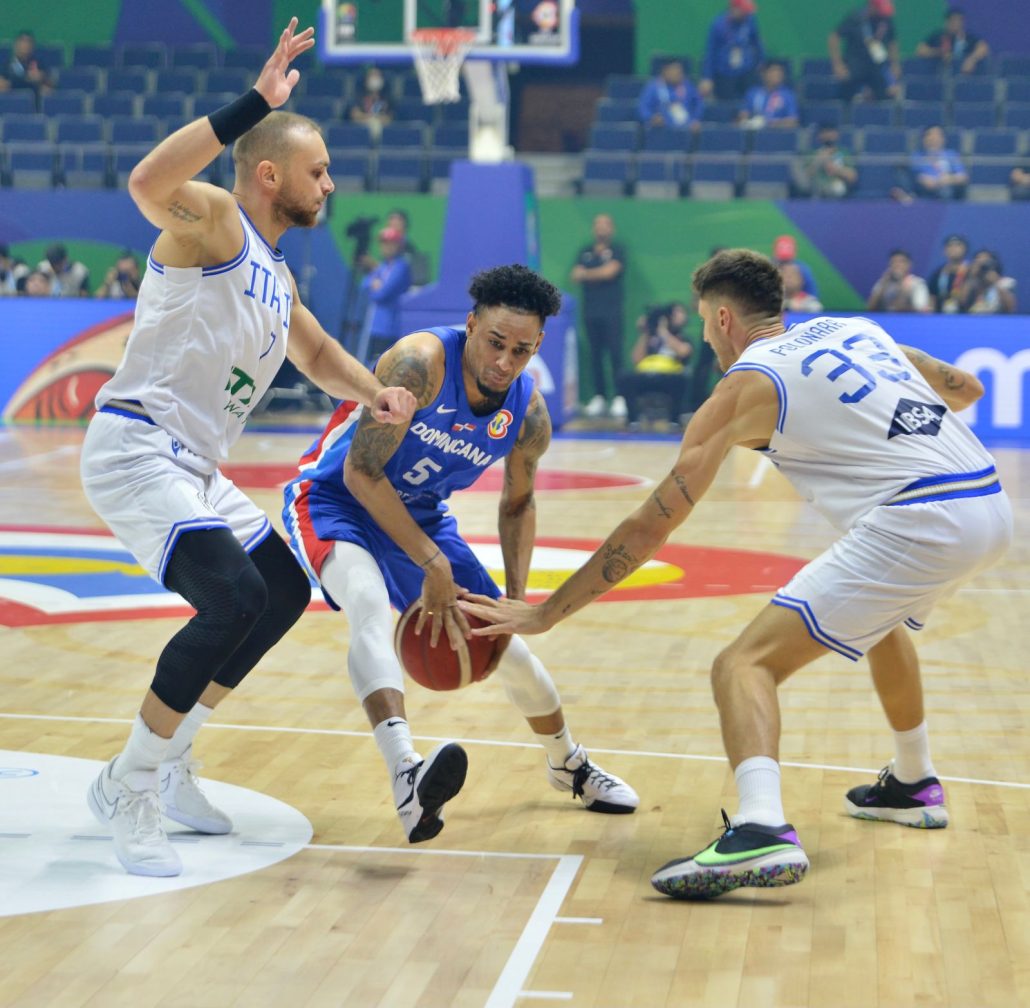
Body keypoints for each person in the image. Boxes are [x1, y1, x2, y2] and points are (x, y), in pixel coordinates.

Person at [462, 247, 1011, 899]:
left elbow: (652, 523)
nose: (704, 337)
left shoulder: (743, 387)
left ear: (723, 318)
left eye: (703, 322)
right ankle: (913, 783)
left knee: (742, 665)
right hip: (989, 506)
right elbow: (965, 388)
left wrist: (548, 612)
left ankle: (760, 826)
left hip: (922, 520)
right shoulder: (856, 329)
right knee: (882, 623)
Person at [78, 19, 417, 878]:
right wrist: (254, 104)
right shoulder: (217, 221)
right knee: (229, 598)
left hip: (193, 465)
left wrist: (373, 393)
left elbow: (316, 353)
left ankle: (171, 756)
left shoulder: (276, 269)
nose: (330, 184)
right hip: (136, 448)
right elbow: (148, 180)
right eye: (318, 170)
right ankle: (128, 784)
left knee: (280, 591)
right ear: (270, 174)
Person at [281, 264, 639, 844]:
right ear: (471, 324)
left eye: (521, 350)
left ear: (537, 346)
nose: (504, 361)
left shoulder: (527, 414)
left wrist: (515, 603)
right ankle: (406, 772)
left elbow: (518, 504)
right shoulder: (419, 364)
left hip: (419, 514)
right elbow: (361, 472)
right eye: (495, 342)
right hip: (334, 499)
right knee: (367, 602)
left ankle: (567, 763)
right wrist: (432, 562)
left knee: (507, 646)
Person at [571, 213, 627, 419]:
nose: (602, 228)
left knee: (615, 354)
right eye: (598, 224)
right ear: (594, 228)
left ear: (611, 228)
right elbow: (575, 275)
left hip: (611, 312)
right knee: (595, 355)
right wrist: (598, 273)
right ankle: (600, 397)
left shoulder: (618, 250)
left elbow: (610, 272)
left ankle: (620, 397)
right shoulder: (585, 251)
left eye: (606, 224)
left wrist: (589, 274)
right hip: (590, 312)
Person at [617, 301, 693, 428]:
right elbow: (636, 359)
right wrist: (646, 332)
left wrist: (663, 331)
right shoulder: (650, 337)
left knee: (681, 380)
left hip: (669, 377)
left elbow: (684, 352)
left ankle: (674, 420)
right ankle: (633, 419)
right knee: (624, 376)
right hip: (647, 375)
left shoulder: (682, 337)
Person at [828, 0, 901, 102]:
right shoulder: (855, 18)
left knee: (889, 94)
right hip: (855, 66)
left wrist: (895, 64)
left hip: (877, 67)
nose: (882, 14)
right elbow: (834, 38)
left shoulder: (886, 20)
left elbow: (892, 43)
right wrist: (838, 65)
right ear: (872, 6)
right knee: (846, 93)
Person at [360, 225, 412, 361]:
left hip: (389, 327)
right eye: (383, 243)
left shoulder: (401, 266)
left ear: (398, 245)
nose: (386, 247)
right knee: (370, 364)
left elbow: (382, 294)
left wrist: (375, 287)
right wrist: (373, 285)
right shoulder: (383, 266)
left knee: (384, 365)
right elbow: (364, 285)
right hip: (374, 326)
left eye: (391, 243)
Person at [699, 0, 765, 102]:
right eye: (744, 11)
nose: (746, 14)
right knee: (727, 105)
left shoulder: (750, 21)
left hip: (746, 71)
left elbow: (756, 42)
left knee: (749, 103)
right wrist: (707, 77)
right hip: (725, 74)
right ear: (733, 8)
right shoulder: (718, 25)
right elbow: (711, 53)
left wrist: (761, 61)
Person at [916, 7, 990, 76]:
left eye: (959, 20)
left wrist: (971, 59)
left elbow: (983, 48)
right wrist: (938, 52)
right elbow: (921, 50)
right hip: (938, 74)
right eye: (953, 20)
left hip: (963, 75)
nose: (956, 23)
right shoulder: (937, 36)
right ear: (947, 21)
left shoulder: (968, 37)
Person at [793, 123, 857, 199]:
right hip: (816, 190)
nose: (828, 135)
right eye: (824, 132)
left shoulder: (844, 153)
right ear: (819, 136)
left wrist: (835, 169)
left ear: (837, 135)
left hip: (838, 190)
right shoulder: (811, 154)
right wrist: (818, 161)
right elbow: (804, 179)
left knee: (838, 188)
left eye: (831, 132)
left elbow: (852, 177)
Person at [637, 59, 703, 130]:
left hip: (686, 129)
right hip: (661, 130)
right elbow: (643, 108)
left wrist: (695, 119)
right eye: (675, 71)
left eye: (680, 72)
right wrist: (651, 118)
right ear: (665, 71)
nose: (679, 74)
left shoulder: (687, 86)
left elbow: (698, 103)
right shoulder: (653, 87)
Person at [909, 125, 968, 201]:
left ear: (943, 139)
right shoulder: (917, 156)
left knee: (948, 190)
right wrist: (933, 181)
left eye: (937, 135)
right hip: (927, 192)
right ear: (924, 139)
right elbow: (918, 177)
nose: (933, 139)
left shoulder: (952, 155)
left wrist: (948, 179)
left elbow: (963, 177)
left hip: (950, 189)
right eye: (929, 135)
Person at [1, 30, 55, 109]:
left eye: (28, 42)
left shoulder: (39, 64)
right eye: (22, 41)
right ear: (16, 45)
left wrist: (42, 78)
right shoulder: (6, 65)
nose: (25, 45)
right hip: (11, 106)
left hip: (34, 107)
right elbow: (3, 84)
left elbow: (50, 85)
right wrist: (27, 78)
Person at [866, 249, 932, 313]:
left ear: (909, 264)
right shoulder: (883, 282)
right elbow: (869, 308)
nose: (897, 265)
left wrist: (904, 294)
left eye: (901, 262)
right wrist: (883, 285)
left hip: (907, 319)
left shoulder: (917, 283)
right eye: (894, 262)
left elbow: (921, 310)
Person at [738, 60, 798, 129]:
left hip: (777, 134)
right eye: (773, 72)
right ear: (763, 74)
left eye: (779, 73)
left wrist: (768, 124)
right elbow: (743, 115)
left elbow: (793, 122)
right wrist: (747, 121)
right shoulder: (752, 93)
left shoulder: (788, 95)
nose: (777, 75)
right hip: (755, 132)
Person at [956, 249, 1017, 314]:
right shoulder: (971, 282)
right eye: (978, 260)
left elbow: (1010, 309)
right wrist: (972, 276)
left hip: (996, 318)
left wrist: (996, 283)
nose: (982, 263)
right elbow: (961, 304)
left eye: (985, 260)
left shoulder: (1005, 282)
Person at [926, 234, 969, 313]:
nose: (953, 248)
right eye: (949, 246)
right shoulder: (938, 273)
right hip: (941, 316)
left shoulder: (971, 271)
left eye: (957, 245)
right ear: (944, 251)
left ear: (965, 249)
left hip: (966, 316)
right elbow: (932, 297)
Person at [349, 65, 393, 142]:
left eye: (377, 76)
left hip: (384, 134)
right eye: (372, 76)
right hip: (360, 133)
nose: (375, 79)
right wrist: (371, 119)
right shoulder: (358, 96)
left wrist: (376, 120)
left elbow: (390, 117)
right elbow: (355, 115)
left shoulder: (387, 98)